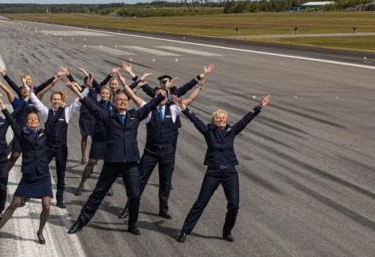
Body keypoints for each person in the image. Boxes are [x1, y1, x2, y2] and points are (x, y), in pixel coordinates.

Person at [67, 79, 165, 235]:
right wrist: (78, 92)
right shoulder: (108, 117)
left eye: (125, 100)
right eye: (119, 100)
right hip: (112, 162)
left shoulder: (134, 115)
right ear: (114, 102)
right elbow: (91, 106)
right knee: (98, 194)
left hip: (131, 163)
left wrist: (161, 95)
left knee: (134, 195)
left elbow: (150, 106)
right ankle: (80, 222)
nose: (123, 102)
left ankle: (132, 225)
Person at [118, 64, 214, 219]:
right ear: (154, 98)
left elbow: (189, 99)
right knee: (140, 181)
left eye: (163, 95)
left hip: (167, 152)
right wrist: (124, 83)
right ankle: (129, 207)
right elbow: (133, 96)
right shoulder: (148, 109)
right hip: (150, 152)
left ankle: (163, 209)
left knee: (166, 182)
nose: (160, 97)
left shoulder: (174, 109)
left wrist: (201, 85)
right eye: (158, 96)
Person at [176, 95, 271, 243]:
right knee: (201, 202)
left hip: (229, 172)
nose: (221, 120)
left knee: (234, 204)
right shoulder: (208, 131)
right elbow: (195, 120)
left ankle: (227, 231)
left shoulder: (231, 131)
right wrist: (184, 108)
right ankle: (185, 231)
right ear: (213, 120)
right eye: (218, 118)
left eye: (224, 118)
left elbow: (245, 121)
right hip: (213, 172)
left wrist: (259, 107)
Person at [0, 90, 60, 246]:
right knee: (14, 204)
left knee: (46, 205)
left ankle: (40, 231)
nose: (33, 120)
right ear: (26, 123)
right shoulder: (22, 134)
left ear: (39, 122)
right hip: (28, 176)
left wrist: (59, 106)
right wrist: (1, 104)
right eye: (30, 119)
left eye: (35, 118)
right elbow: (12, 121)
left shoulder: (44, 134)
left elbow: (53, 121)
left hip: (43, 175)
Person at [27, 66, 86, 208]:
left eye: (58, 99)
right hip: (47, 148)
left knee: (61, 173)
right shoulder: (46, 112)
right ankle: (29, 192)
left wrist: (75, 86)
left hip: (61, 149)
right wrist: (25, 85)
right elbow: (34, 100)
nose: (55, 101)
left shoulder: (66, 112)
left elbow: (81, 99)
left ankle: (60, 199)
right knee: (39, 169)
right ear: (51, 100)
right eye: (53, 99)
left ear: (61, 101)